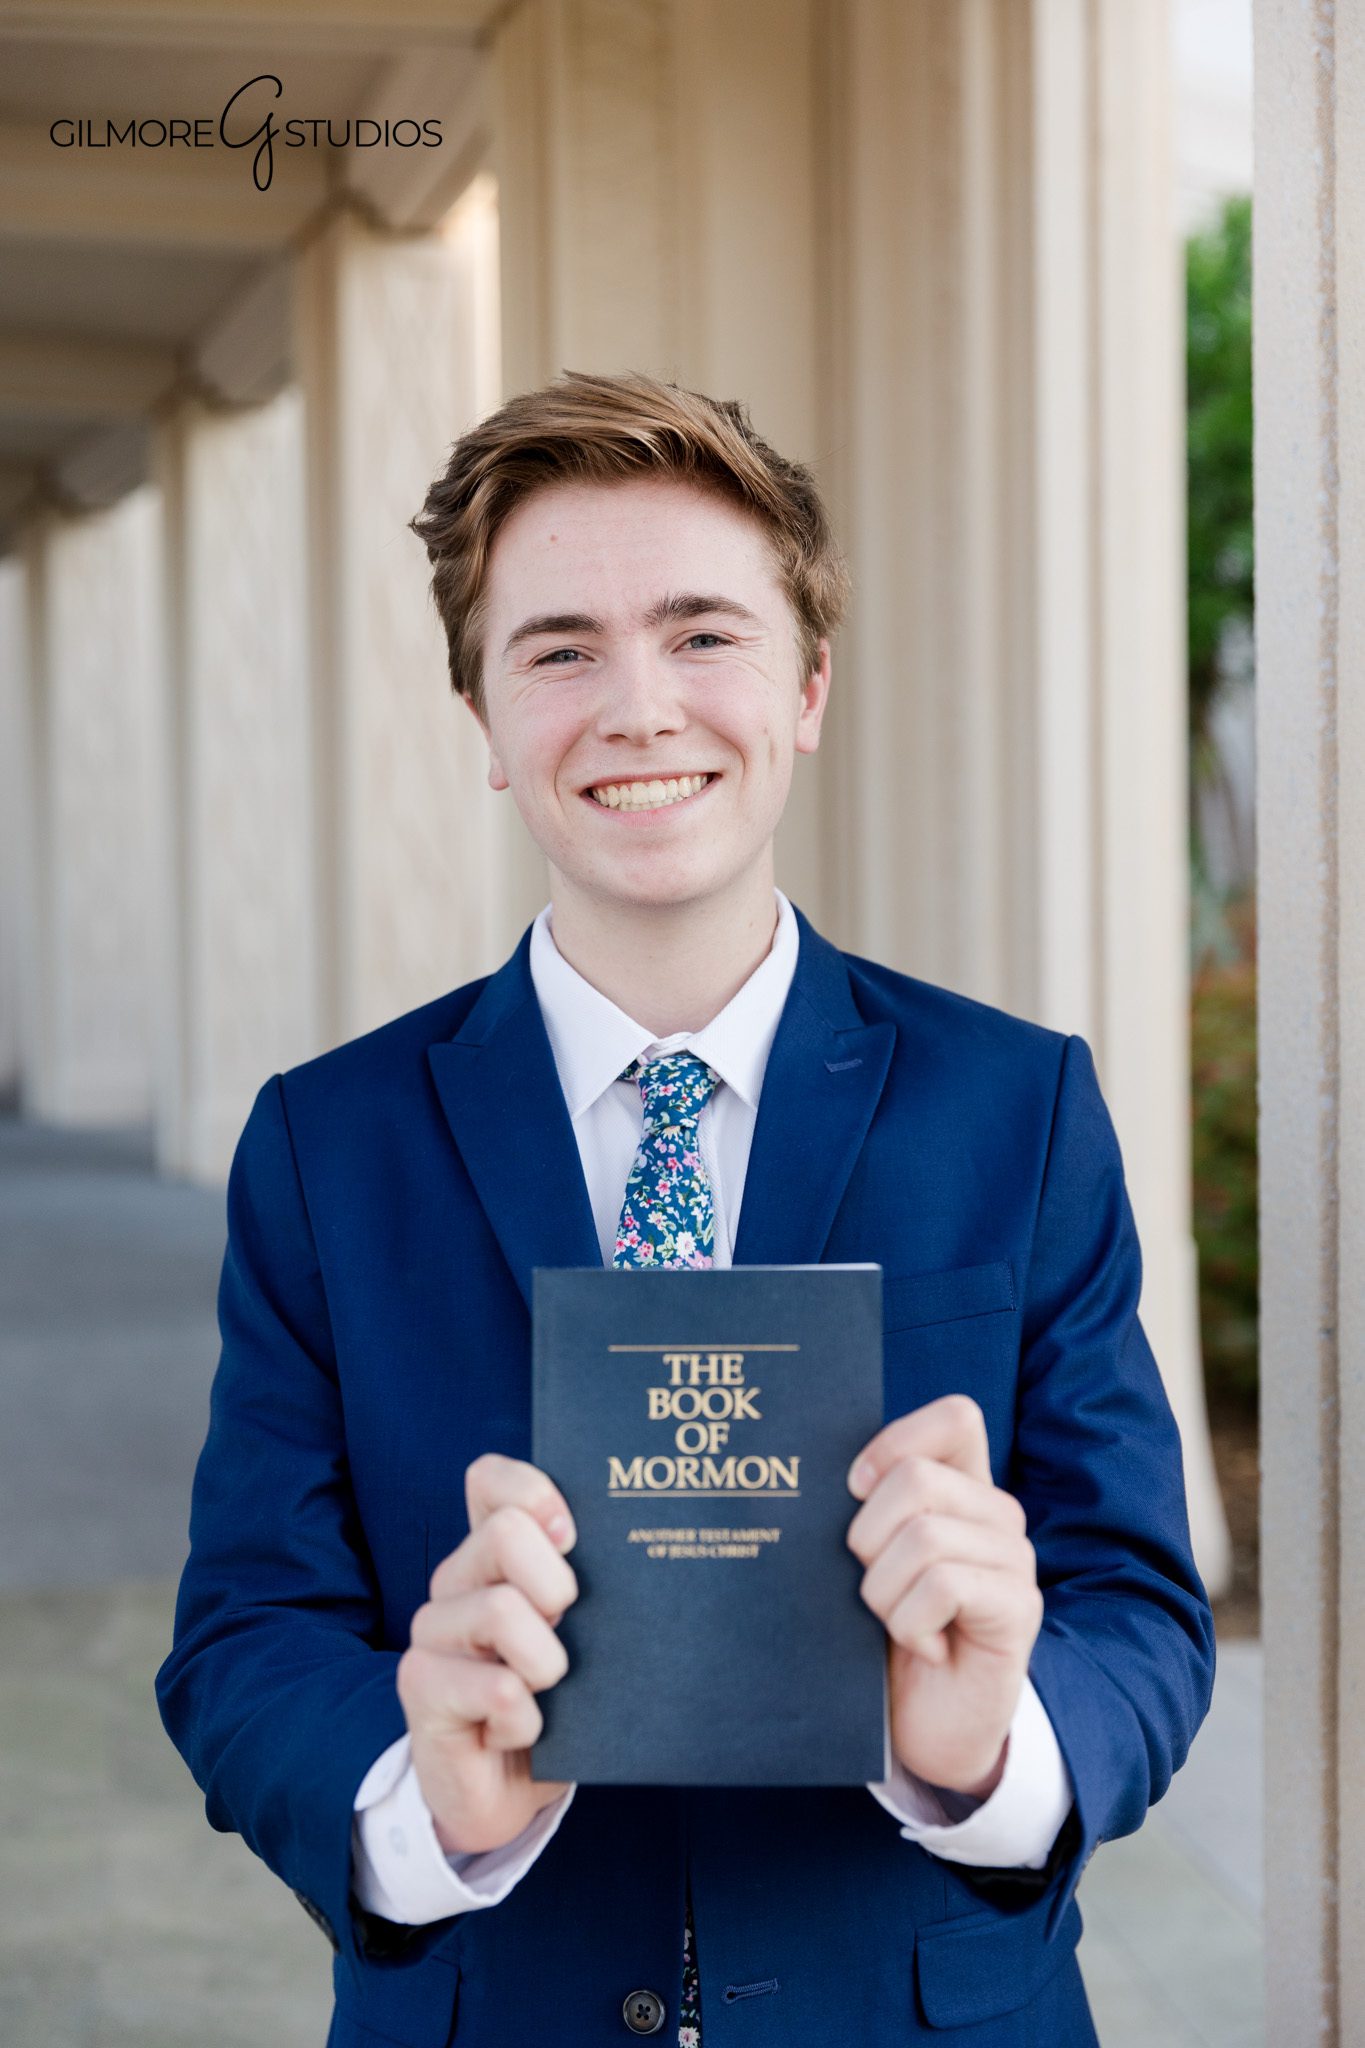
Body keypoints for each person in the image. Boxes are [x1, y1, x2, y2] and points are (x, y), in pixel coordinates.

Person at [157, 371, 1214, 2047]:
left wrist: (987, 1748)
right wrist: (421, 1798)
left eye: (701, 633)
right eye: (559, 648)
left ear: (805, 689)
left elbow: (1139, 1606)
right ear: (486, 725)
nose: (638, 706)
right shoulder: (323, 1145)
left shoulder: (1016, 1110)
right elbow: (242, 1635)